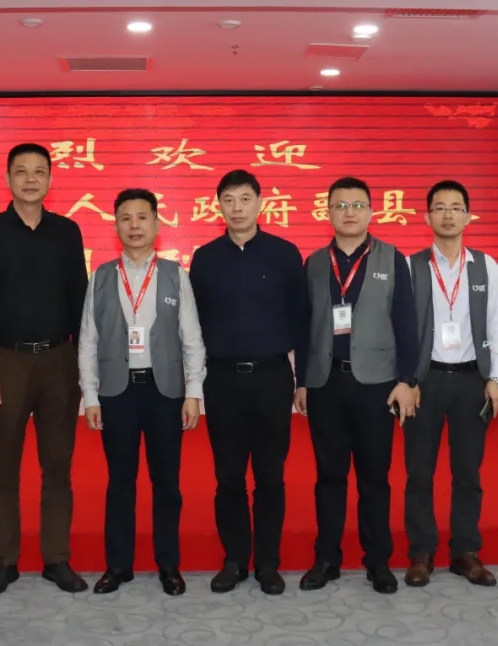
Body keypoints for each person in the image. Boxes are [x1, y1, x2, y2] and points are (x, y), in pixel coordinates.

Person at [0, 143, 90, 595]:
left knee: (58, 464)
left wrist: (84, 366)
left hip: (59, 361)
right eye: (22, 171)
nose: (31, 179)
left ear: (51, 179)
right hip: (6, 363)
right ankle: (4, 561)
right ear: (7, 179)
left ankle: (57, 559)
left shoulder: (67, 232)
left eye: (39, 171)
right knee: (4, 467)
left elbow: (81, 303)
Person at [294, 176, 419, 595]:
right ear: (327, 212)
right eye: (341, 205)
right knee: (328, 476)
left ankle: (378, 561)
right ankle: (326, 558)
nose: (349, 213)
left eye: (357, 205)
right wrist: (301, 381)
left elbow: (407, 323)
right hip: (326, 383)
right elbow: (304, 326)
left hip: (376, 385)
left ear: (371, 211)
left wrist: (407, 380)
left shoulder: (391, 258)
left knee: (374, 477)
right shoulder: (314, 263)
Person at [78, 188, 207, 596]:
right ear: (116, 225)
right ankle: (118, 566)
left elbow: (192, 338)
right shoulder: (101, 276)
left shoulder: (175, 275)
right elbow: (88, 340)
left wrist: (193, 392)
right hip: (117, 392)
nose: (134, 225)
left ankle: (169, 565)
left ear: (156, 223)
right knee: (120, 482)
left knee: (166, 482)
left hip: (164, 391)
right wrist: (91, 396)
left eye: (141, 217)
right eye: (125, 218)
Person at [188, 169, 305, 596]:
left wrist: (303, 380)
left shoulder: (285, 254)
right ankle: (235, 560)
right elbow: (193, 326)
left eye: (244, 199)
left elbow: (302, 321)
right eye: (228, 200)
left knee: (271, 476)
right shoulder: (205, 258)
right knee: (229, 476)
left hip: (272, 377)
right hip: (222, 380)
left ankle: (268, 563)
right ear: (218, 205)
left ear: (260, 203)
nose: (237, 208)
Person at [402, 180, 498, 587]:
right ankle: (421, 552)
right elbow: (401, 331)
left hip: (471, 382)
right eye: (439, 207)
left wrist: (497, 378)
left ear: (468, 216)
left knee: (468, 472)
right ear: (427, 216)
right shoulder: (411, 266)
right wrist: (406, 380)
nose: (448, 215)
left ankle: (465, 552)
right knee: (419, 472)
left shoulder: (486, 266)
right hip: (424, 381)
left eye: (456, 207)